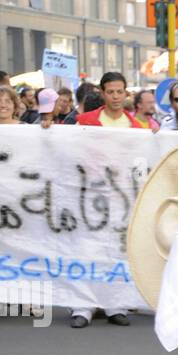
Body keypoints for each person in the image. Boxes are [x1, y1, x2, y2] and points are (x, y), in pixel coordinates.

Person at [70, 72, 143, 329]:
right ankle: (82, 305)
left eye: (119, 92)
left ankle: (116, 304)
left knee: (116, 250)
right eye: (110, 92)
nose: (115, 97)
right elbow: (67, 149)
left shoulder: (136, 128)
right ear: (102, 93)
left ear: (126, 94)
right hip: (90, 193)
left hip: (121, 197)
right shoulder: (85, 121)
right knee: (87, 248)